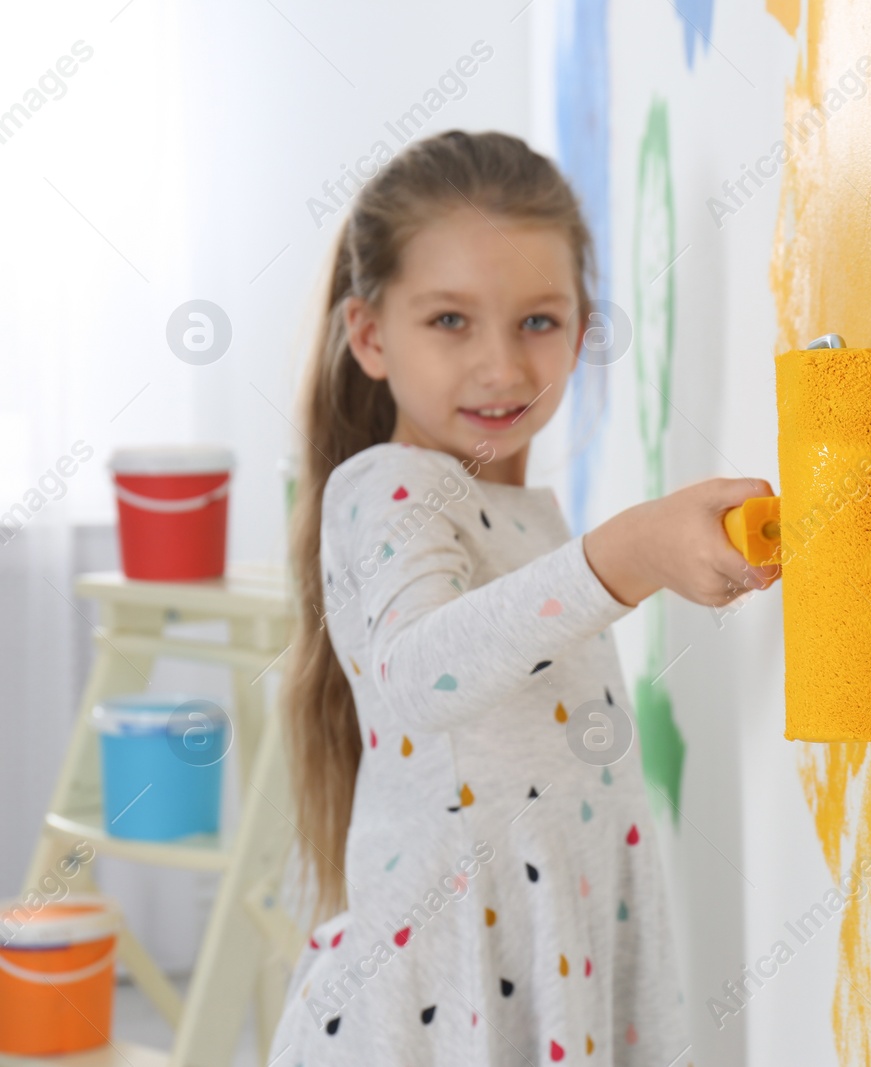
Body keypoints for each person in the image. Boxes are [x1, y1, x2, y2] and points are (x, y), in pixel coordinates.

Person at [270, 129, 776, 1065]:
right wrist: (627, 553)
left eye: (537, 321)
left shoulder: (529, 522)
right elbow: (423, 673)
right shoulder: (390, 488)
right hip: (433, 1008)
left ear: (582, 328)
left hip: (551, 966)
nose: (502, 367)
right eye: (451, 321)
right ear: (372, 336)